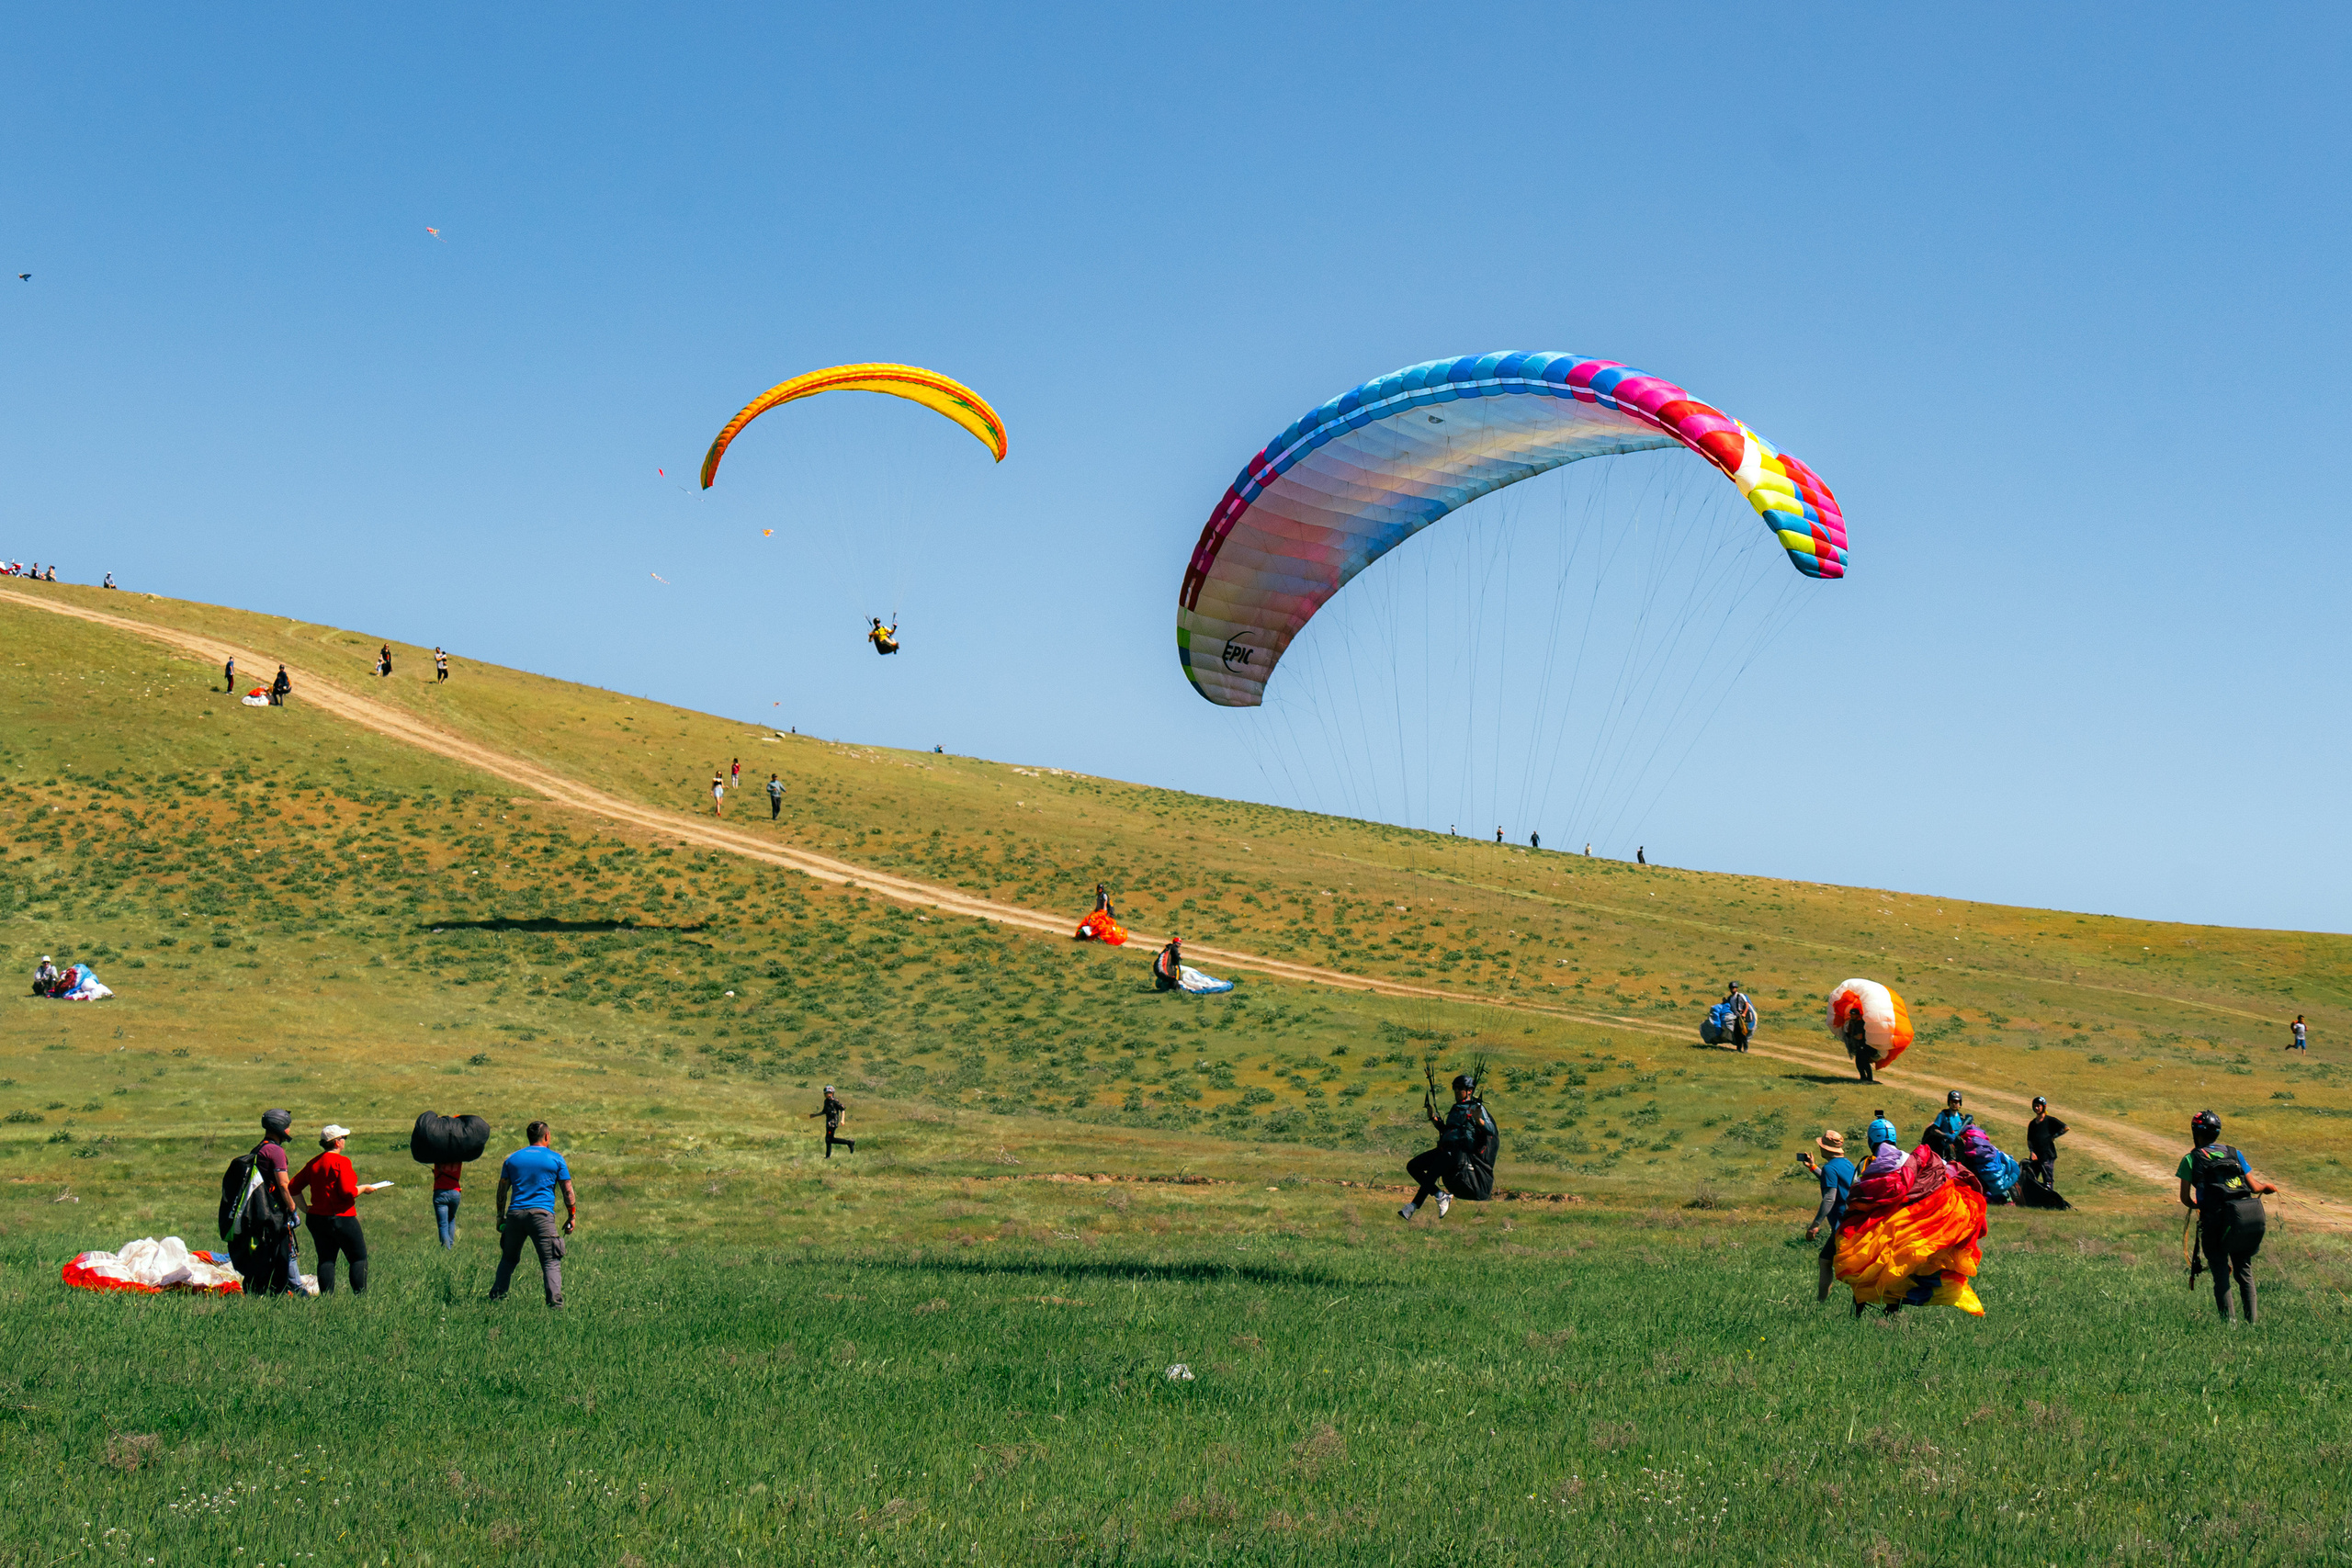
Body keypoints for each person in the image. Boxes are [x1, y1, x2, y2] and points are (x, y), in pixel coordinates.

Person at [2180, 1110, 2278, 1324]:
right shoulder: (2235, 1153)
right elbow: (2254, 1187)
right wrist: (2267, 1187)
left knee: (2221, 1272)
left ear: (2195, 1133)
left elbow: (2185, 1199)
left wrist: (2200, 1206)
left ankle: (2229, 1325)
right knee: (2244, 1270)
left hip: (2214, 1221)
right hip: (2242, 1218)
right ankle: (2251, 1323)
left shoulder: (2190, 1159)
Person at [490, 1121, 574, 1309]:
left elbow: (502, 1189)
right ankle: (555, 1305)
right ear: (546, 1136)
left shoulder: (512, 1159)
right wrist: (571, 1215)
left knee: (509, 1259)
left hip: (515, 1215)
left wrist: (499, 1216)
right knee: (550, 1261)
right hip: (542, 1216)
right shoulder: (556, 1159)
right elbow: (567, 1191)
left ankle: (496, 1298)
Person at [290, 1123, 378, 1293]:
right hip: (342, 1217)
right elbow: (347, 1192)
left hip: (317, 1219)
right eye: (343, 1138)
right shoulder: (342, 1161)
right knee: (358, 1258)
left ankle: (327, 1299)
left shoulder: (314, 1163)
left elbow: (293, 1187)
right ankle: (361, 1298)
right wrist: (364, 1188)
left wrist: (305, 1209)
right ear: (337, 1142)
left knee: (326, 1259)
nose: (344, 1141)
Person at [1399, 1074, 1498, 1220]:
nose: (1457, 1091)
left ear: (1469, 1090)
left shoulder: (1476, 1107)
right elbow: (1449, 1131)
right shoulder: (1456, 1108)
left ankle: (1413, 1206)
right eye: (1455, 1088)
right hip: (1447, 1149)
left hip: (1460, 1152)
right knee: (1413, 1166)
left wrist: (1479, 1120)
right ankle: (1440, 1195)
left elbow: (1491, 1131)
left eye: (1460, 1088)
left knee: (1433, 1171)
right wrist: (1434, 1120)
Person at [239, 1108, 304, 1297]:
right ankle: (285, 1292)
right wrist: (293, 1209)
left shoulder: (258, 1149)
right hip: (274, 1213)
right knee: (282, 1254)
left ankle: (257, 1292)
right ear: (280, 1127)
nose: (289, 1130)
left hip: (258, 1211)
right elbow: (284, 1184)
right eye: (288, 1126)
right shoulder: (275, 1151)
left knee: (263, 1254)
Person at [1798, 1127, 1857, 1302]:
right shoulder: (1847, 1164)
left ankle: (1828, 1302)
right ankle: (1822, 1302)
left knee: (1845, 1266)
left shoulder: (1830, 1168)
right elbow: (1833, 1180)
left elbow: (1829, 1198)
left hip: (1841, 1226)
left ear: (1825, 1149)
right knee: (1825, 1260)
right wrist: (1813, 1168)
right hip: (1851, 1222)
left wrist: (1815, 1225)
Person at [2024, 1096, 2068, 1191]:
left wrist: (2054, 1136)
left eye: (2038, 1106)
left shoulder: (2050, 1120)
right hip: (2035, 1156)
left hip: (2047, 1155)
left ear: (2043, 1106)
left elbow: (2065, 1128)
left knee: (2048, 1179)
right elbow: (2029, 1140)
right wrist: (2032, 1152)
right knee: (2032, 1177)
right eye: (2035, 1106)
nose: (2036, 1108)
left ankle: (2049, 1198)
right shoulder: (2032, 1124)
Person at [810, 1086, 854, 1157]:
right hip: (828, 1123)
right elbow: (824, 1111)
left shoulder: (834, 1101)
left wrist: (842, 1120)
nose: (827, 1094)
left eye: (828, 1093)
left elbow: (842, 1109)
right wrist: (815, 1115)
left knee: (829, 1139)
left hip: (833, 1123)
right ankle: (828, 1156)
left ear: (832, 1093)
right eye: (825, 1093)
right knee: (829, 1139)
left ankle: (849, 1142)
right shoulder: (826, 1101)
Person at [432, 1155, 464, 1247]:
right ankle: (451, 1243)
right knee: (451, 1218)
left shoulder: (438, 1158)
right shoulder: (458, 1159)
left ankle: (446, 1247)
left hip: (440, 1192)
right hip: (455, 1192)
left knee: (443, 1223)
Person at [1843, 1007, 1878, 1083]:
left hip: (1864, 1046)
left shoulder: (1859, 1023)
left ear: (1857, 1015)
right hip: (1860, 1046)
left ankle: (1869, 1079)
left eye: (1854, 1014)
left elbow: (1860, 1036)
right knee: (1859, 1063)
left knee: (1864, 1062)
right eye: (1851, 1014)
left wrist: (1851, 1036)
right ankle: (1864, 1077)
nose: (1852, 1016)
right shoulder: (1853, 1022)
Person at [1726, 982, 1757, 1053]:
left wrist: (1744, 1013)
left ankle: (1745, 1049)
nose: (1733, 989)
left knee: (1743, 1032)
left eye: (1734, 988)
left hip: (1741, 1016)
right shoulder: (1730, 998)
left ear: (1736, 988)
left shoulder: (1740, 995)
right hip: (1735, 1016)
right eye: (1731, 988)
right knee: (1736, 1033)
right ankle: (1738, 1048)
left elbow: (1747, 1004)